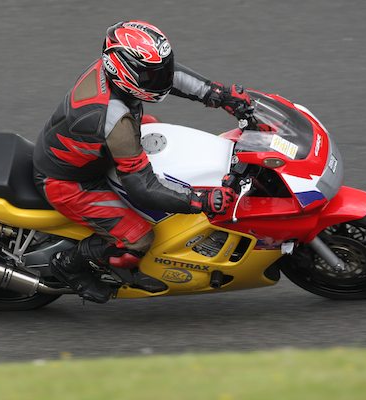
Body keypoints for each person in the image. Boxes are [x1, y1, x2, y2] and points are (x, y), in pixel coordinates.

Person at [33, 20, 253, 303]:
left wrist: (219, 95)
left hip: (97, 152)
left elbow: (169, 76)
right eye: (152, 75)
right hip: (68, 182)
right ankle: (68, 265)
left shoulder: (117, 73)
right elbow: (143, 187)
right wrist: (200, 200)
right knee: (139, 238)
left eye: (161, 69)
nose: (160, 79)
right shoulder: (115, 121)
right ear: (125, 73)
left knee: (159, 132)